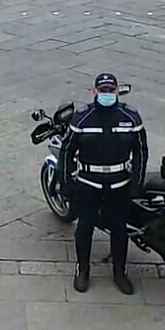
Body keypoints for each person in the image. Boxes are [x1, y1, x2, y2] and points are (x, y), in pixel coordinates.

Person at [60, 73, 147, 295]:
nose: (107, 94)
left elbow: (141, 152)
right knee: (85, 227)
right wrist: (66, 183)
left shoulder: (131, 117)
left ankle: (120, 272)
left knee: (119, 230)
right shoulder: (82, 118)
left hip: (119, 183)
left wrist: (137, 181)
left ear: (117, 91)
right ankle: (83, 270)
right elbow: (66, 152)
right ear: (94, 92)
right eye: (103, 91)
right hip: (89, 183)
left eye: (111, 90)